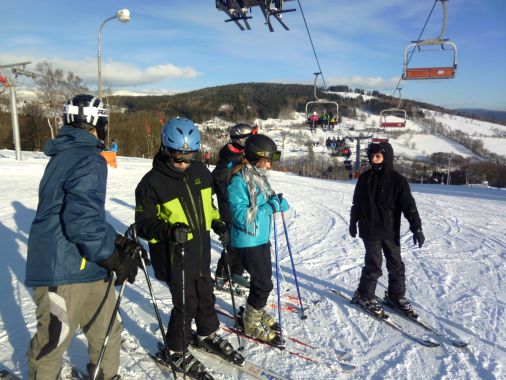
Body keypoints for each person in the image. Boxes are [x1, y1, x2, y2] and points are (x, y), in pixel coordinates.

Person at [25, 94, 145, 380]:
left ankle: (106, 375)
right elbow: (80, 223)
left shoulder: (67, 154)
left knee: (107, 329)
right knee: (54, 340)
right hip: (64, 269)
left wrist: (116, 241)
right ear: (100, 126)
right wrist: (113, 256)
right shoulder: (89, 159)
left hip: (87, 264)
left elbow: (84, 214)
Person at [135, 117, 241, 378]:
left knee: (205, 293)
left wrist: (217, 222)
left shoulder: (201, 173)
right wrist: (169, 231)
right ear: (164, 149)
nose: (183, 163)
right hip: (173, 254)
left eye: (189, 157)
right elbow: (144, 225)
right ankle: (175, 350)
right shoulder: (151, 183)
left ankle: (206, 332)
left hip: (200, 250)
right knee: (186, 303)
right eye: (177, 157)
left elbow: (209, 205)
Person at [349, 141, 425, 317]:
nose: (374, 160)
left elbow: (409, 207)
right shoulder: (364, 178)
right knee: (374, 264)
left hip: (390, 231)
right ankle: (364, 295)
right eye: (372, 156)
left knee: (396, 265)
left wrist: (417, 229)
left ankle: (395, 296)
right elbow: (357, 204)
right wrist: (353, 222)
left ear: (386, 157)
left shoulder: (398, 181)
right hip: (369, 230)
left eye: (378, 156)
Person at [228, 134, 289, 345]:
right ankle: (250, 322)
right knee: (264, 284)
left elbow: (268, 197)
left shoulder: (258, 177)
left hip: (260, 238)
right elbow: (240, 216)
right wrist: (268, 208)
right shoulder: (238, 181)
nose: (270, 165)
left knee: (262, 280)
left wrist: (277, 201)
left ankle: (255, 310)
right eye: (268, 160)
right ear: (256, 157)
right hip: (247, 241)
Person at [212, 123, 258, 289]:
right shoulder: (229, 158)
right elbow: (217, 179)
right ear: (241, 140)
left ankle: (236, 272)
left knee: (240, 238)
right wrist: (231, 197)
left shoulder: (238, 153)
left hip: (238, 204)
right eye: (249, 138)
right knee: (232, 241)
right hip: (229, 207)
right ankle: (222, 274)